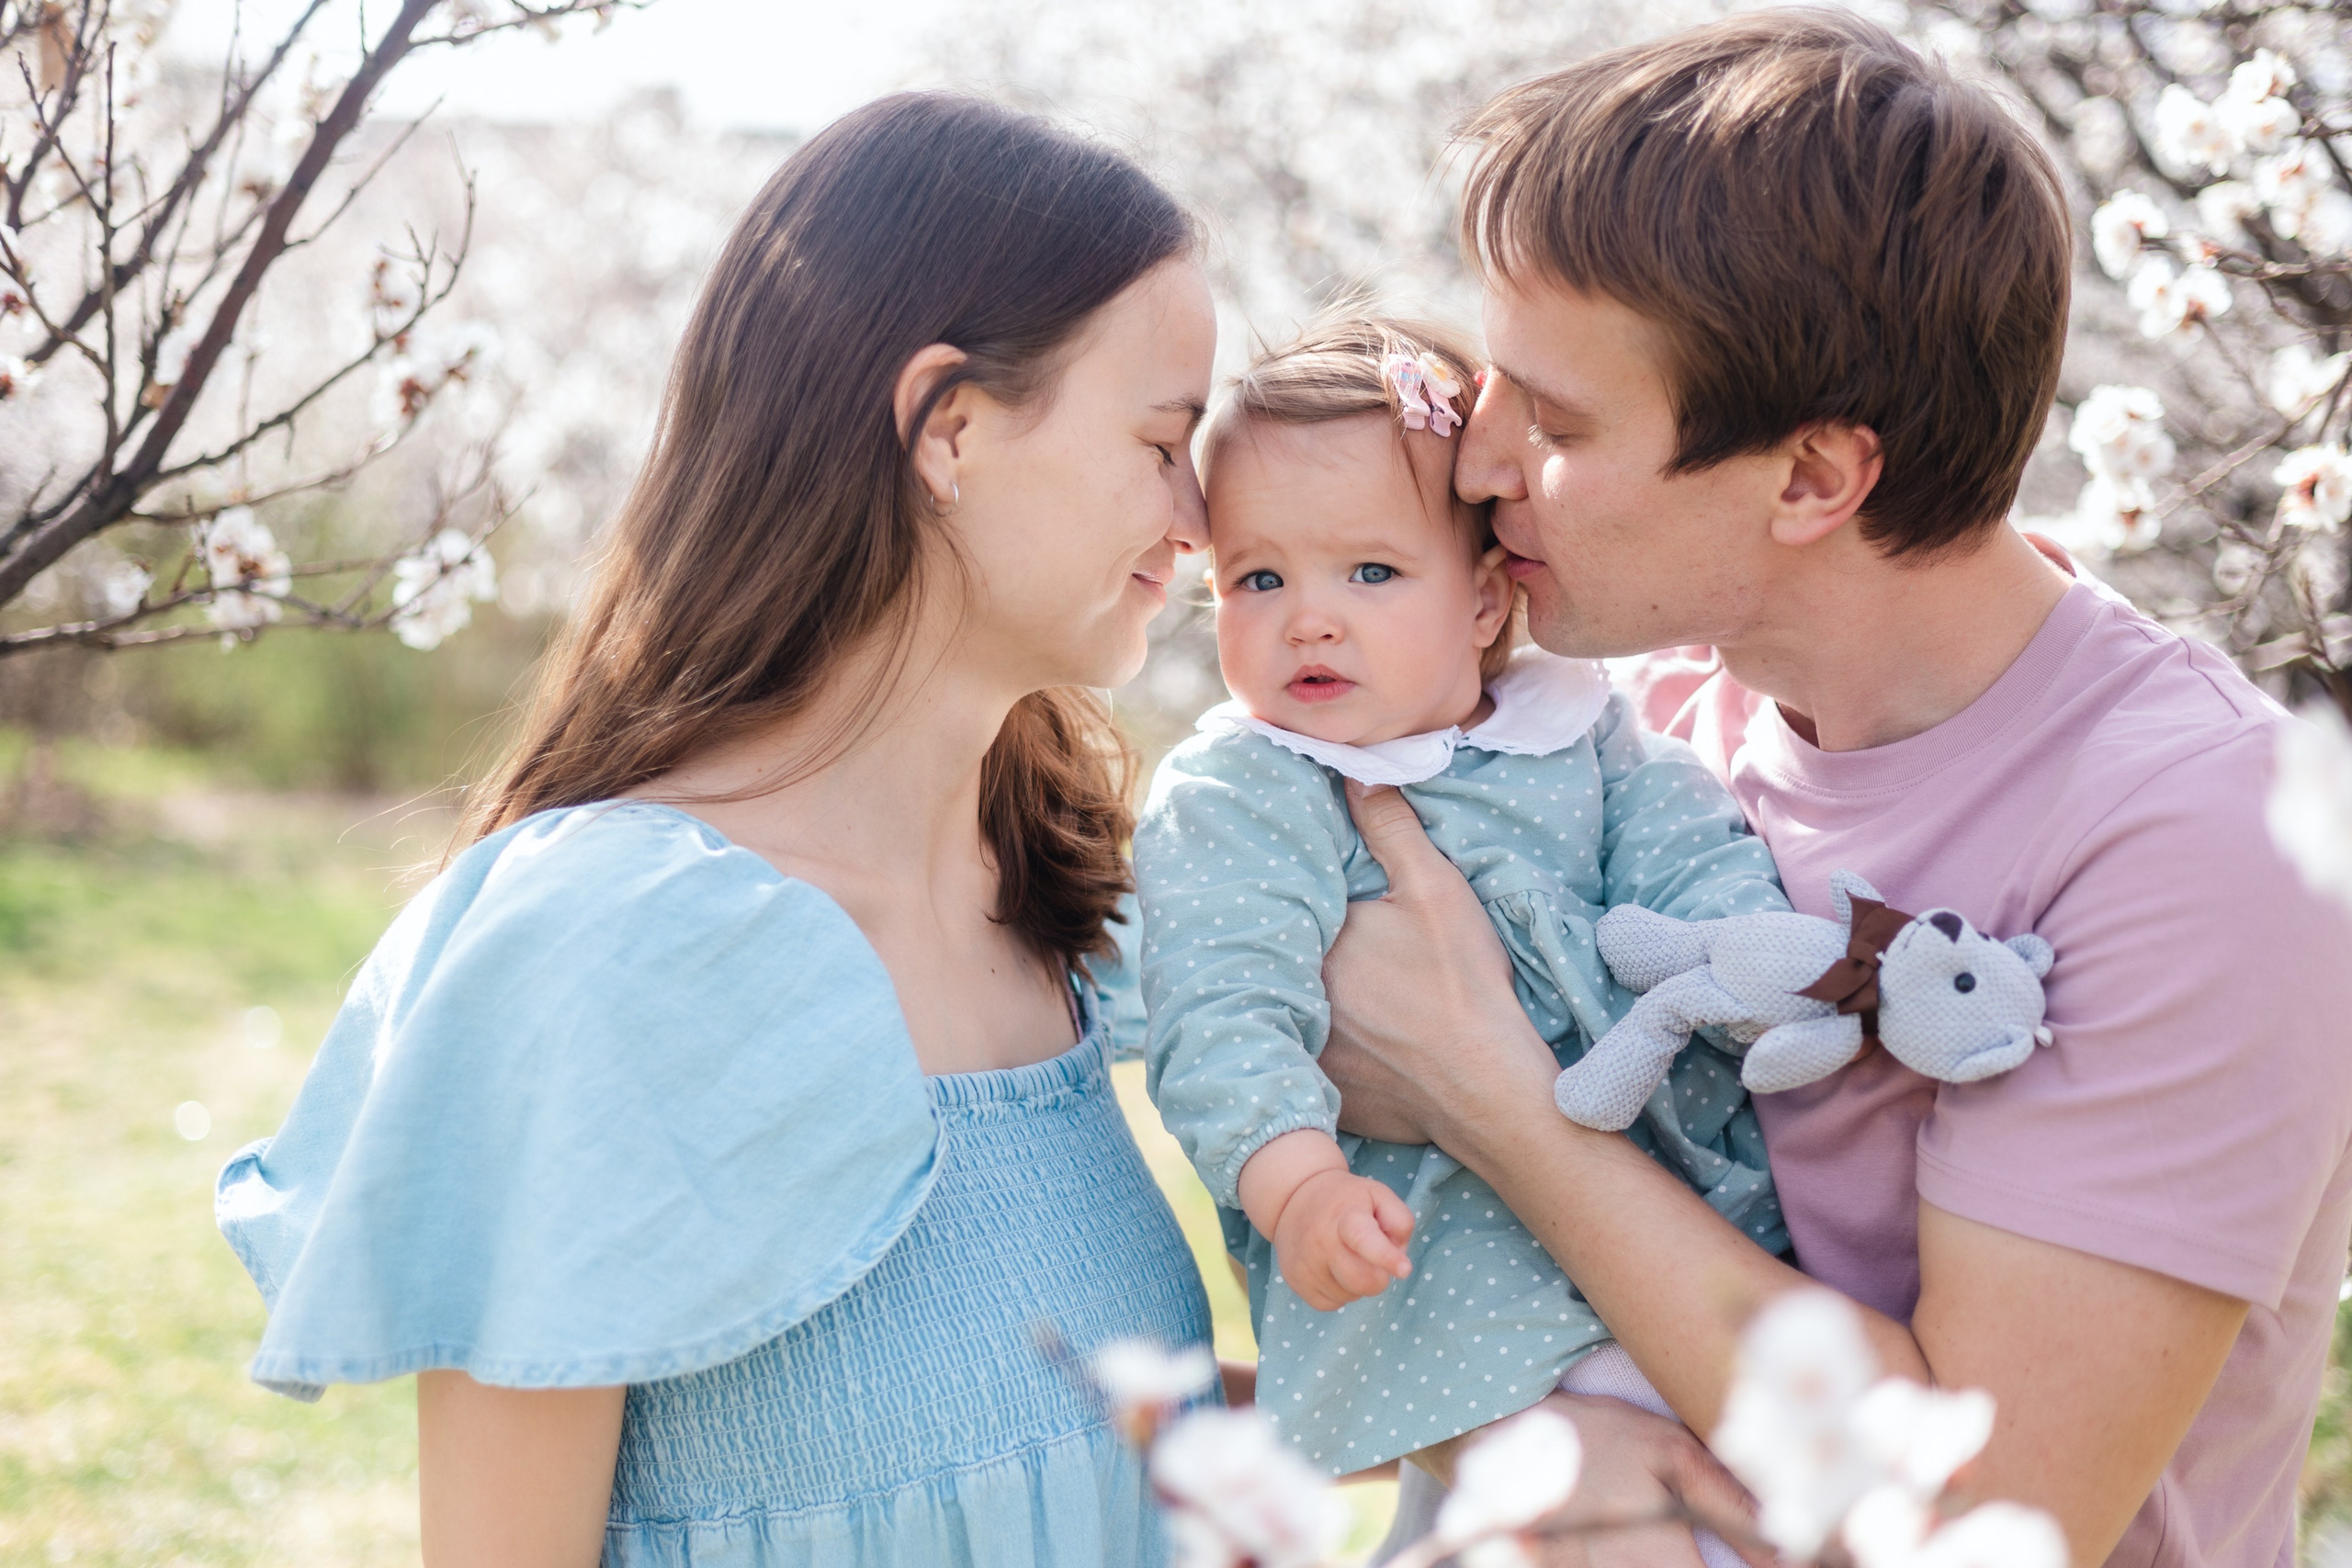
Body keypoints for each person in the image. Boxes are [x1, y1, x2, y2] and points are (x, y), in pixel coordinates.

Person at [1328, 12, 2352, 1568]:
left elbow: (1981, 1520)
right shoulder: (1639, 729)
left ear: (1812, 478)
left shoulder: (2203, 838)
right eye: (1490, 388)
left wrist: (1500, 1107)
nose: (1478, 463)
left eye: (1560, 421)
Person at [213, 94, 1220, 1568]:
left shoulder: (1055, 909)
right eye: (1163, 441)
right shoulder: (603, 954)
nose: (1201, 518)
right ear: (948, 430)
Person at [1131, 317, 1781, 1556]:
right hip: (1448, 1277)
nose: (1309, 620)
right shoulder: (1249, 792)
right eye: (1261, 580)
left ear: (1485, 600)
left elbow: (1690, 855)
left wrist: (1747, 957)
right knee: (1620, 1530)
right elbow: (1223, 1010)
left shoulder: (1577, 728)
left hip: (1669, 1222)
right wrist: (1298, 1185)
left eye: (1370, 573)